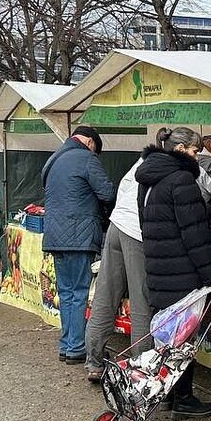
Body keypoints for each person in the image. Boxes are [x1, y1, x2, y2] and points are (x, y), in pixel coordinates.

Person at [135, 126, 211, 418]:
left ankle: (172, 394)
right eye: (196, 151)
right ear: (182, 149)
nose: (198, 156)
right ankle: (183, 398)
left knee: (169, 337)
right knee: (182, 336)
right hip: (182, 273)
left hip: (159, 268)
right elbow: (195, 235)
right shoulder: (182, 180)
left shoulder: (147, 180)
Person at [41, 126, 116, 365]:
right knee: (79, 292)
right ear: (90, 142)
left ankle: (67, 345)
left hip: (54, 235)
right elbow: (107, 193)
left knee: (66, 293)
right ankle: (76, 348)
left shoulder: (52, 159)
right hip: (78, 236)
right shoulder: (87, 158)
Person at [85, 153, 148, 383]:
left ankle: (94, 362)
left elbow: (121, 190)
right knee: (142, 303)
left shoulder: (140, 162)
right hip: (137, 234)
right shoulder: (174, 165)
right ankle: (141, 370)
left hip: (116, 226)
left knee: (105, 296)